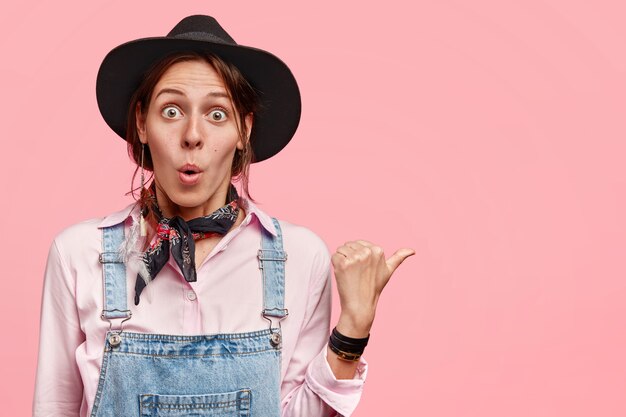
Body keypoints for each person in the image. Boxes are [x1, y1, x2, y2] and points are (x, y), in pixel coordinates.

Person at [33, 15, 414, 417]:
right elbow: (53, 406)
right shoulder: (78, 253)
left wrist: (353, 328)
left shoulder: (301, 258)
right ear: (142, 123)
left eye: (217, 114)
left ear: (243, 130)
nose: (192, 135)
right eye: (172, 111)